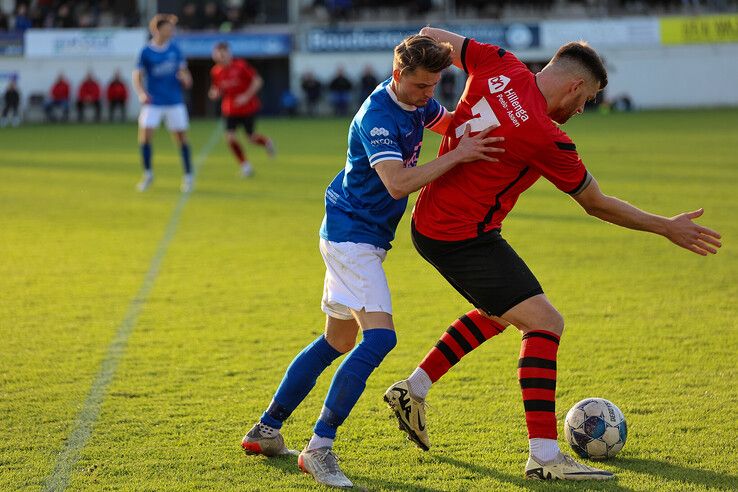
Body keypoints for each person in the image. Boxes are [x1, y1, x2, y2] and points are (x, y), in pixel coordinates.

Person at [383, 27, 722, 481]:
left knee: (504, 311)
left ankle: (414, 389)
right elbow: (596, 203)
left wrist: (410, 84)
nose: (581, 110)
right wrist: (666, 226)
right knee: (544, 321)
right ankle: (544, 456)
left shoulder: (499, 62)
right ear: (575, 86)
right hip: (458, 234)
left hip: (443, 222)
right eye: (587, 100)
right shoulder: (546, 136)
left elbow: (428, 35)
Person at [240, 34, 503, 488]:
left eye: (435, 86)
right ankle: (319, 448)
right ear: (399, 75)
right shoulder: (377, 116)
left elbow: (451, 122)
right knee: (379, 339)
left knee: (336, 341)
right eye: (422, 86)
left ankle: (266, 430)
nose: (429, 96)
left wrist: (499, 121)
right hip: (352, 238)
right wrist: (459, 156)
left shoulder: (418, 101)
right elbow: (398, 183)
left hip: (354, 234)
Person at [132, 14, 193, 193]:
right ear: (157, 30)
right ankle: (148, 174)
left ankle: (188, 176)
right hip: (153, 102)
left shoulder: (175, 49)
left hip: (174, 101)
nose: (171, 31)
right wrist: (141, 93)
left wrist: (186, 79)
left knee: (181, 138)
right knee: (145, 137)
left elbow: (185, 74)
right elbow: (137, 75)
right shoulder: (146, 52)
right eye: (168, 28)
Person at [209, 42, 275, 178]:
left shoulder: (240, 66)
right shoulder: (216, 71)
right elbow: (216, 88)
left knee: (250, 138)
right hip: (229, 110)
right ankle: (245, 166)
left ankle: (266, 142)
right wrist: (214, 93)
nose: (221, 57)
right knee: (230, 138)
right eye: (218, 55)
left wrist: (246, 96)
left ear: (229, 53)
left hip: (247, 108)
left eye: (223, 54)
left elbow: (257, 81)